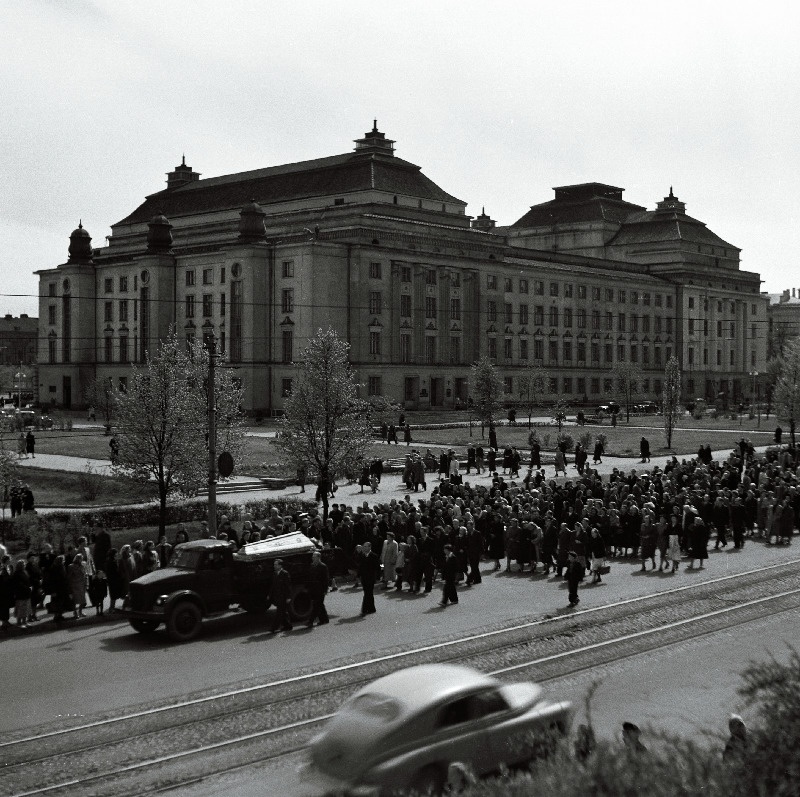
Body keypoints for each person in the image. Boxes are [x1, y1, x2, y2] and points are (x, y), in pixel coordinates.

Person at [268, 559, 293, 632]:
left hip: (284, 596)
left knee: (279, 612)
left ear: (280, 565)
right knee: (283, 612)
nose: (274, 566)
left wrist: (288, 597)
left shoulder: (285, 573)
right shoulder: (275, 573)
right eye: (274, 564)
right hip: (277, 596)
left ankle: (274, 628)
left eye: (276, 564)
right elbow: (273, 586)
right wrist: (269, 595)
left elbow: (288, 586)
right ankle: (288, 626)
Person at [356, 541, 380, 616]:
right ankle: (371, 608)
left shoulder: (374, 556)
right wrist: (358, 575)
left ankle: (365, 609)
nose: (365, 548)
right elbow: (360, 566)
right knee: (368, 593)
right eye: (364, 546)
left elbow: (377, 568)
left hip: (371, 577)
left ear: (370, 547)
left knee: (368, 592)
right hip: (364, 577)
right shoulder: (362, 555)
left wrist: (378, 577)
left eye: (366, 546)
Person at [306, 550, 330, 627]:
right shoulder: (312, 565)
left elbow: (326, 579)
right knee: (320, 605)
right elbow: (309, 577)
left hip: (320, 589)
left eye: (314, 556)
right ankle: (324, 619)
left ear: (319, 557)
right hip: (313, 589)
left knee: (316, 605)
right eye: (312, 556)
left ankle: (310, 621)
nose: (312, 558)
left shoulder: (323, 566)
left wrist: (325, 590)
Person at [67, 552, 88, 618]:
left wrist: (87, 584)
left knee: (83, 600)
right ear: (77, 559)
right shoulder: (71, 566)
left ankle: (80, 612)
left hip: (82, 585)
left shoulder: (83, 565)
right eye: (80, 559)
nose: (81, 560)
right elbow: (69, 577)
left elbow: (85, 575)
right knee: (75, 600)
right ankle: (75, 613)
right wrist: (69, 586)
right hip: (74, 585)